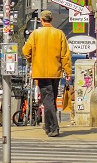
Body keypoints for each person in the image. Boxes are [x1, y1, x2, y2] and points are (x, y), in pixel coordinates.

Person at [22, 9, 72, 137]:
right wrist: (67, 70)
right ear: (52, 20)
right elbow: (65, 55)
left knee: (48, 100)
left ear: (41, 20)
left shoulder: (35, 34)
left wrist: (32, 60)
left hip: (41, 72)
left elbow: (26, 51)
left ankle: (53, 128)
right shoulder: (59, 34)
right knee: (52, 99)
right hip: (55, 72)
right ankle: (49, 126)